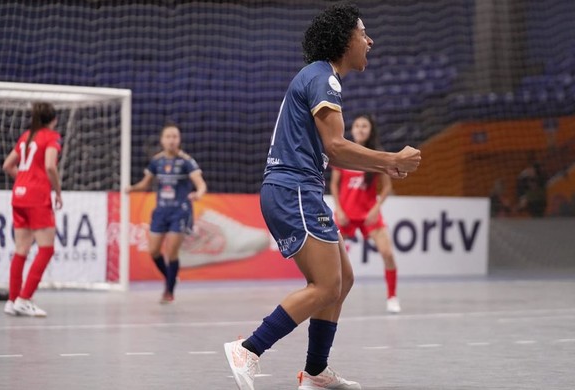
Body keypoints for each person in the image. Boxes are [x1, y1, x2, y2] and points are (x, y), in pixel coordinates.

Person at [223, 4, 421, 390]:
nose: (370, 40)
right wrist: (390, 159)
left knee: (342, 279)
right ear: (345, 39)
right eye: (364, 33)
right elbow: (336, 147)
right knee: (326, 285)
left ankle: (315, 373)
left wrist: (384, 165)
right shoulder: (323, 79)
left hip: (300, 188)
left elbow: (331, 150)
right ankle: (247, 349)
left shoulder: (319, 77)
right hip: (292, 188)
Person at [126, 123, 207, 303]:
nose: (171, 140)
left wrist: (198, 194)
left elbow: (200, 184)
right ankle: (171, 277)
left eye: (175, 136)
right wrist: (131, 188)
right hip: (161, 210)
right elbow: (145, 184)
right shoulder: (157, 161)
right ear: (162, 140)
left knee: (171, 253)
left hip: (180, 211)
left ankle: (169, 292)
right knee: (153, 250)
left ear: (179, 139)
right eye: (168, 136)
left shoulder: (186, 161)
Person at [330, 114, 401, 314]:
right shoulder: (344, 154)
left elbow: (386, 187)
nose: (360, 129)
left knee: (387, 253)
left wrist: (376, 209)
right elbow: (334, 185)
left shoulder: (377, 155)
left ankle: (392, 296)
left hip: (369, 214)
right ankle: (329, 299)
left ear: (370, 130)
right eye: (358, 126)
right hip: (345, 214)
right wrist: (340, 210)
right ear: (352, 130)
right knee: (329, 258)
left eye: (365, 126)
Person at [1, 102, 63, 317]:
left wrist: (25, 181)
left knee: (21, 249)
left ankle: (12, 300)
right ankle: (25, 298)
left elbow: (7, 165)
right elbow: (49, 166)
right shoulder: (51, 137)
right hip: (37, 198)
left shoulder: (27, 136)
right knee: (46, 249)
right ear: (53, 120)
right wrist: (57, 190)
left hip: (19, 196)